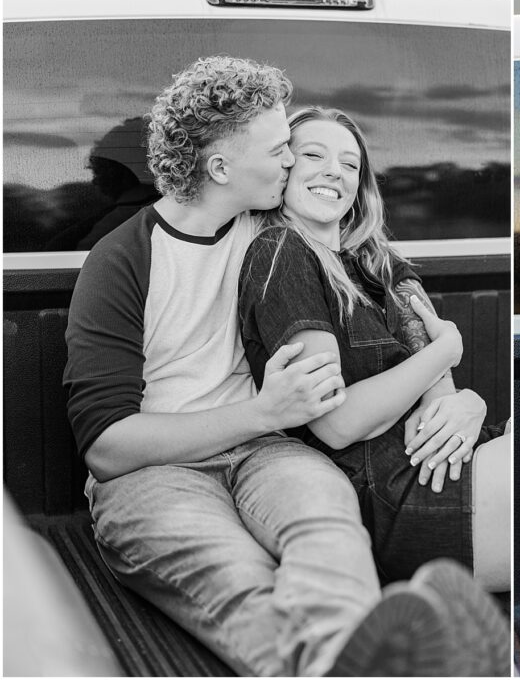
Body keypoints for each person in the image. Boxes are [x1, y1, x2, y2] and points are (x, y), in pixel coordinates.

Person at [64, 56, 485, 676]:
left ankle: (366, 655)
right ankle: (349, 666)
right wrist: (261, 411)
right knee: (237, 578)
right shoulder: (123, 258)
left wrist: (457, 393)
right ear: (221, 167)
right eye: (281, 149)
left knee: (329, 535)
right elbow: (106, 446)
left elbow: (387, 290)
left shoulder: (275, 231)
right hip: (154, 473)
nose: (293, 161)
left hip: (270, 452)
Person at [237, 106, 510, 673]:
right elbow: (336, 422)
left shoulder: (382, 265)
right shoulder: (281, 254)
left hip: (445, 460)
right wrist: (444, 349)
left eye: (349, 164)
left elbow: (443, 396)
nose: (333, 172)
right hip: (397, 493)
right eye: (313, 155)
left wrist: (465, 403)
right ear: (282, 171)